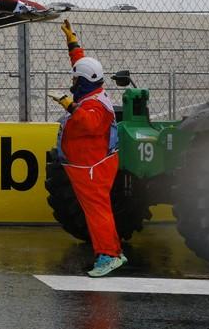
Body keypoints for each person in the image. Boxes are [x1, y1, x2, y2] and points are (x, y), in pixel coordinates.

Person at [48, 19, 126, 277]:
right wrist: (72, 42)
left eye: (75, 79)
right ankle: (113, 251)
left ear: (83, 82)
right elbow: (81, 64)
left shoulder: (94, 106)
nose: (72, 81)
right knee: (99, 211)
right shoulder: (93, 89)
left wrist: (69, 105)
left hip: (92, 168)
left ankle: (108, 256)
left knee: (97, 213)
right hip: (89, 165)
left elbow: (90, 123)